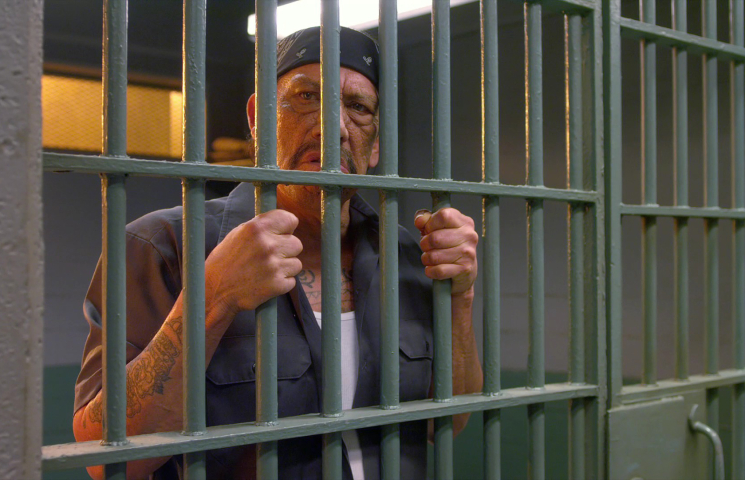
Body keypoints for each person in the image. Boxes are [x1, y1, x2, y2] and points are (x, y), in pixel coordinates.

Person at [72, 26, 483, 480]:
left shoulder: (408, 254)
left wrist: (460, 296)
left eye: (358, 107)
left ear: (377, 143)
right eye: (307, 97)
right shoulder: (162, 245)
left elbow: (446, 422)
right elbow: (106, 458)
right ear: (259, 119)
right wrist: (213, 297)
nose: (335, 127)